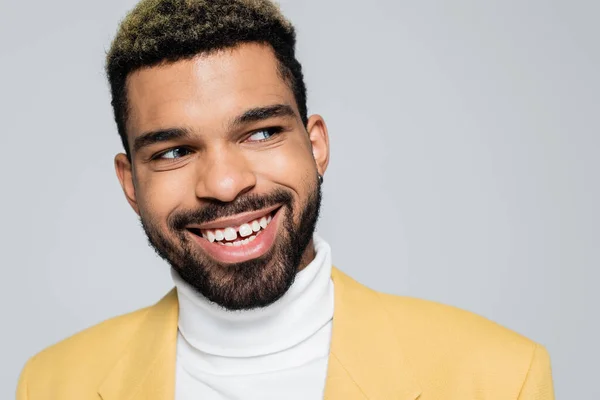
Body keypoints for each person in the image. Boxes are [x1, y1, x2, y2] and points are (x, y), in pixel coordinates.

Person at [16, 0, 554, 399]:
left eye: (261, 133)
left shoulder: (501, 377)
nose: (225, 185)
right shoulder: (50, 384)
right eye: (175, 150)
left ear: (315, 145)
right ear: (131, 183)